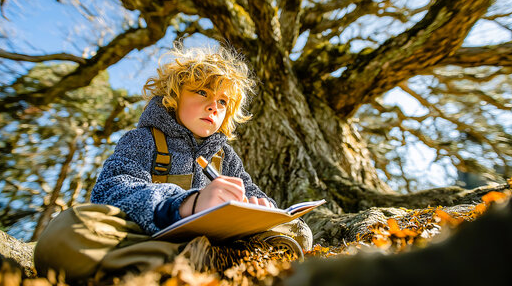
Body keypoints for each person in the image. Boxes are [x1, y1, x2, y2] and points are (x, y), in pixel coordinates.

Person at [33, 46, 312, 282]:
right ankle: (196, 263)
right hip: (150, 237)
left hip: (222, 238)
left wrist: (260, 207)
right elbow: (111, 189)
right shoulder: (143, 139)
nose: (214, 106)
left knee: (298, 229)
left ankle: (231, 260)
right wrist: (186, 204)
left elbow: (252, 191)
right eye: (202, 92)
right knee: (64, 233)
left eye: (223, 101)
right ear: (174, 96)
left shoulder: (227, 157)